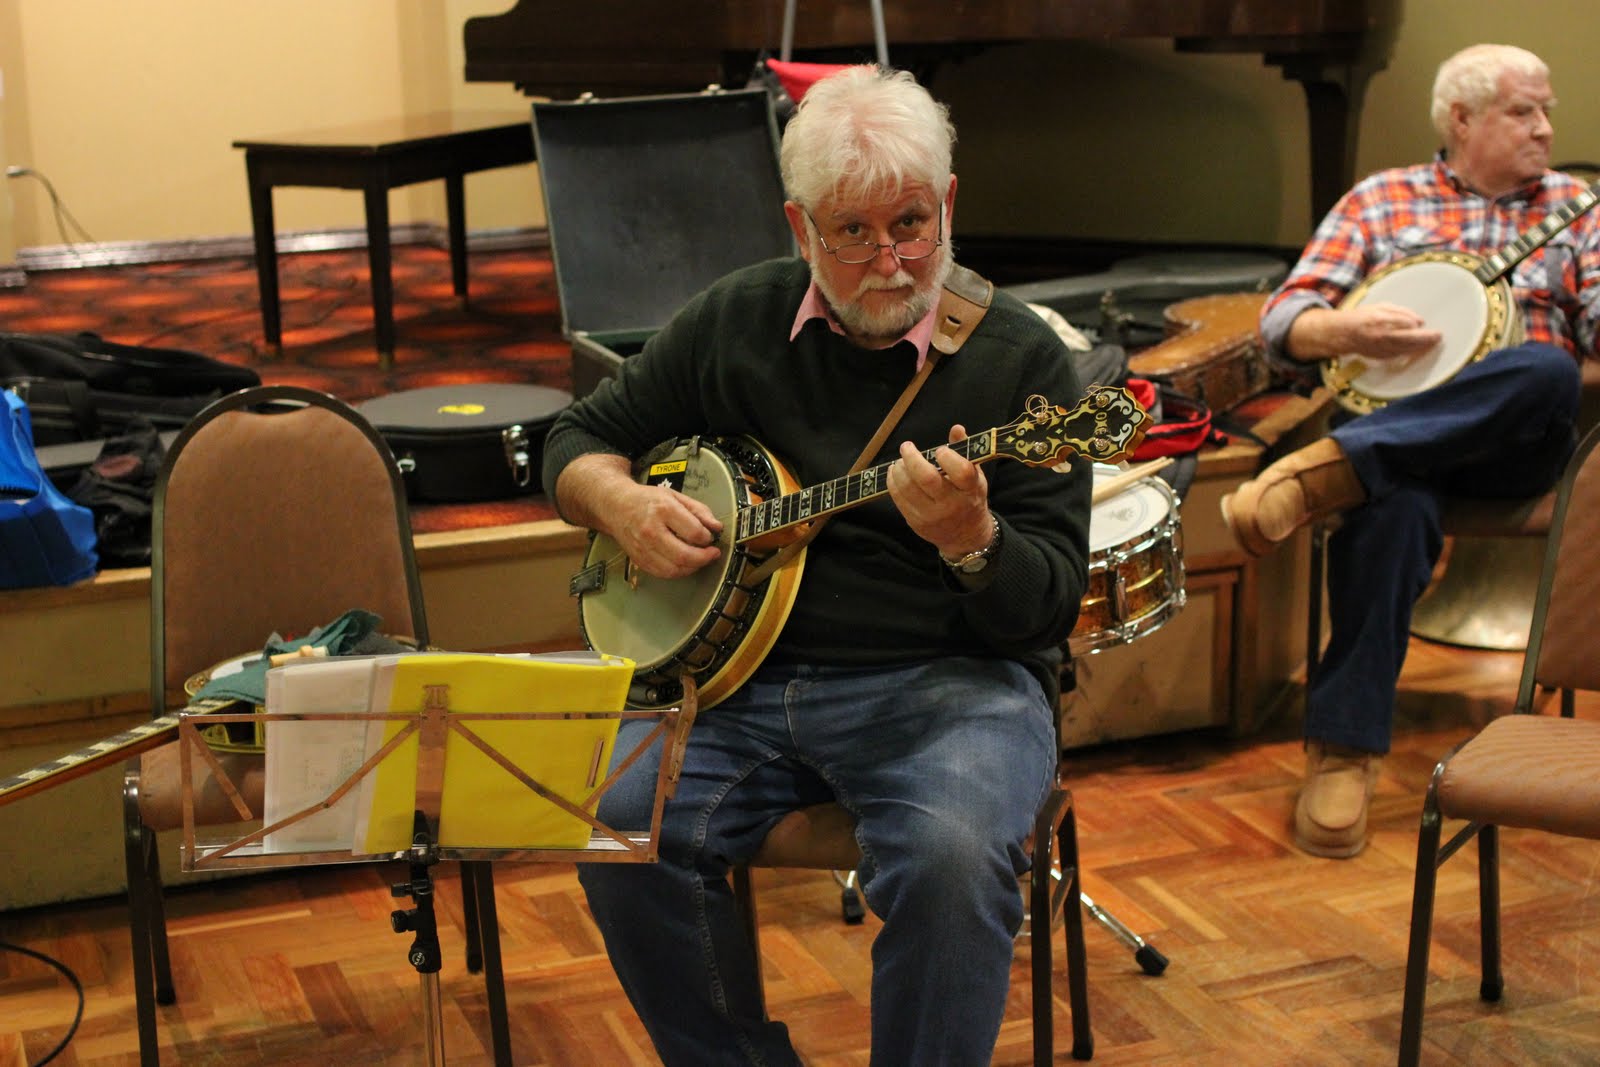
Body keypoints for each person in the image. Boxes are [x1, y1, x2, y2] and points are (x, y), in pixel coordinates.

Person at [540, 66, 1092, 1065]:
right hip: (734, 685)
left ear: (949, 204)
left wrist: (975, 540)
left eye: (913, 224)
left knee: (949, 859)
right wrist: (623, 504)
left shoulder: (1020, 364)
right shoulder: (734, 318)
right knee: (617, 822)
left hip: (950, 684)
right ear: (800, 230)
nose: (891, 261)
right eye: (852, 233)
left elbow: (1045, 607)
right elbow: (576, 436)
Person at [1222, 43, 1600, 858]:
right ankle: (1344, 751)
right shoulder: (1379, 201)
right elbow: (1285, 321)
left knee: (1545, 368)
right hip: (1407, 436)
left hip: (1519, 442)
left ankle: (1330, 471)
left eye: (1547, 111)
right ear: (1461, 120)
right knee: (1394, 501)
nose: (1545, 128)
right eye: (1523, 111)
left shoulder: (1576, 206)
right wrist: (1344, 329)